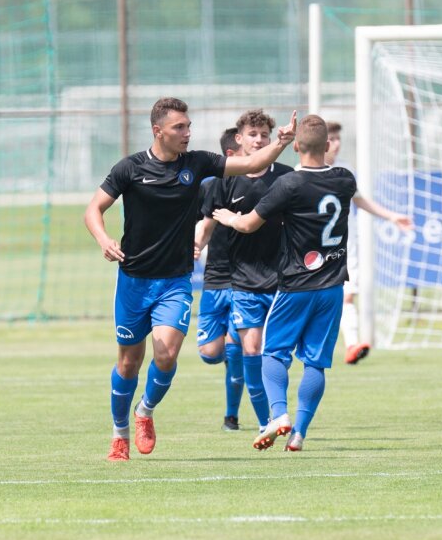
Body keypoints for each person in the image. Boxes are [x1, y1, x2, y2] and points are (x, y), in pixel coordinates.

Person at [85, 98, 297, 462]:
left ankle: (145, 412)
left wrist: (281, 142)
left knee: (166, 354)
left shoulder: (198, 163)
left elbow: (251, 162)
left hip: (175, 282)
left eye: (188, 126)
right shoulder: (130, 168)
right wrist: (104, 240)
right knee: (128, 363)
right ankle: (119, 433)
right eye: (179, 128)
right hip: (133, 281)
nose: (187, 133)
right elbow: (94, 209)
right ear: (158, 131)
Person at [214, 114, 411, 452]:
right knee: (316, 362)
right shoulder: (344, 179)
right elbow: (357, 199)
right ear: (328, 146)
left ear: (297, 146)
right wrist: (390, 215)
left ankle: (279, 415)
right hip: (333, 287)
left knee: (273, 354)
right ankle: (299, 433)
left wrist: (230, 218)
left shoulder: (289, 184)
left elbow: (248, 225)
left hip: (295, 286)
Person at [199, 110, 293, 434]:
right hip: (238, 280)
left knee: (270, 352)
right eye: (253, 134)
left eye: (264, 135)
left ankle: (270, 417)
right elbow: (208, 222)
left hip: (281, 280)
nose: (259, 139)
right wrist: (195, 246)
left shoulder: (285, 176)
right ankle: (267, 421)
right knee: (226, 352)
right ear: (239, 139)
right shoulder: (224, 180)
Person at [194, 127, 245, 431]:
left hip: (247, 280)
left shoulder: (267, 182)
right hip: (216, 278)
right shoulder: (214, 187)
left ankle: (232, 416)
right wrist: (197, 245)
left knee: (237, 349)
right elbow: (205, 223)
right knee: (211, 354)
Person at [324, 120, 370, 365]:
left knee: (347, 296)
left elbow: (360, 201)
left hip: (347, 246)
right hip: (317, 250)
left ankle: (352, 345)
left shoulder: (346, 170)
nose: (337, 143)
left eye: (339, 138)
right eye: (332, 138)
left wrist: (392, 216)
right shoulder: (302, 171)